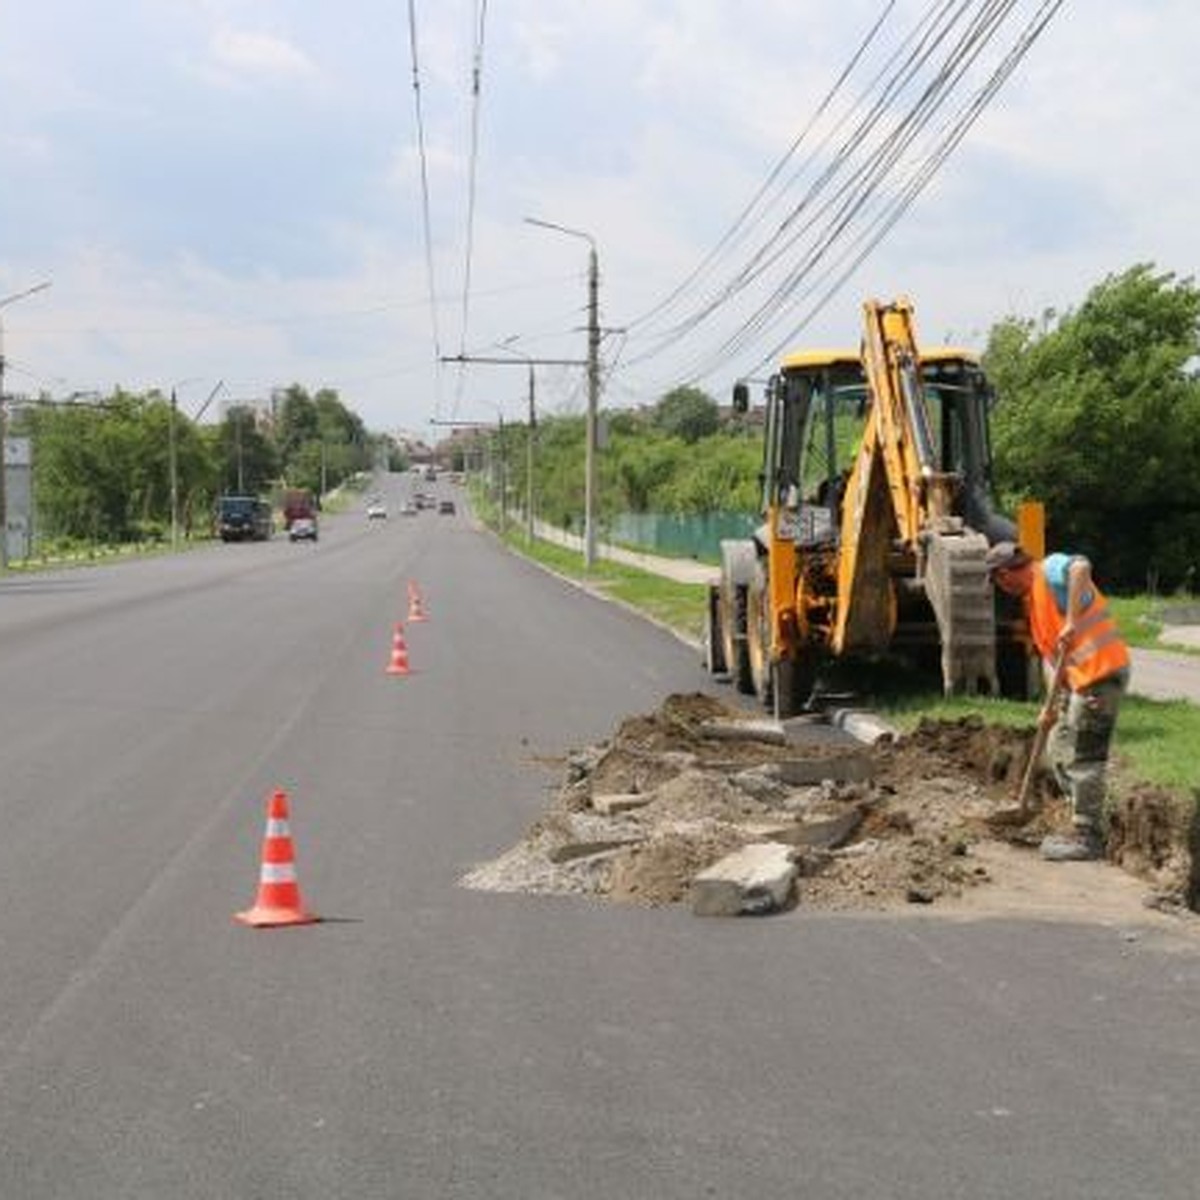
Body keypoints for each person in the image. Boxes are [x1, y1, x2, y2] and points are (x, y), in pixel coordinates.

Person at [985, 540, 1131, 861]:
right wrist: (1052, 705)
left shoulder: (1048, 570)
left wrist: (1073, 620)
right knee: (1057, 745)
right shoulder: (1034, 602)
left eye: (996, 580)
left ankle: (1087, 836)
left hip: (1101, 675)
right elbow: (1056, 659)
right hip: (1079, 682)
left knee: (1083, 754)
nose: (999, 588)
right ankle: (1080, 813)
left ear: (1006, 574)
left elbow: (1081, 566)